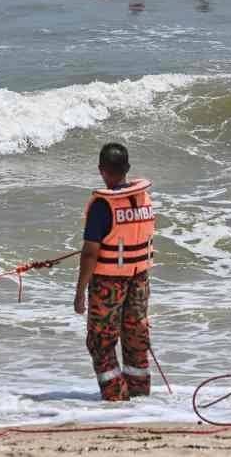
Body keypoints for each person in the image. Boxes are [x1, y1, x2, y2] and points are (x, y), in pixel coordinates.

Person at [74, 142, 155, 401]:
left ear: (101, 170)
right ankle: (141, 398)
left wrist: (79, 293)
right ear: (127, 168)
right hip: (139, 278)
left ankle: (116, 399)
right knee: (136, 338)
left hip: (109, 282)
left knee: (101, 342)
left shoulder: (103, 205)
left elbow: (90, 252)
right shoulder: (143, 198)